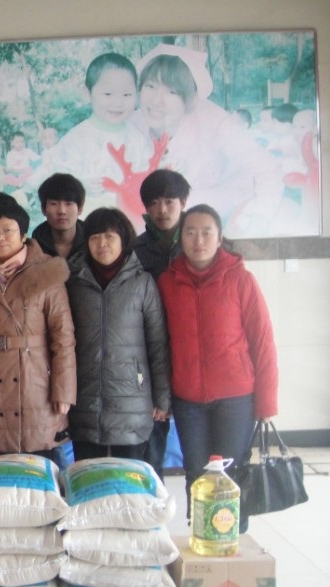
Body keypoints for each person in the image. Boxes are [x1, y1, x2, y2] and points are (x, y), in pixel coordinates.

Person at [158, 204, 278, 530]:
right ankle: (202, 538)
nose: (198, 240)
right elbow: (161, 344)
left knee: (232, 473)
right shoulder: (168, 283)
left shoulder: (241, 280)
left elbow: (263, 341)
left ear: (219, 238)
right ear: (181, 238)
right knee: (197, 473)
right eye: (190, 232)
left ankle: (233, 539)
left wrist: (266, 402)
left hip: (236, 398)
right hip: (188, 400)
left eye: (206, 232)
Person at [0, 192, 75, 461]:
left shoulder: (48, 272)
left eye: (8, 230)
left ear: (23, 234)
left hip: (36, 385)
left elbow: (63, 339)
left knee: (40, 469)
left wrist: (64, 391)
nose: (0, 237)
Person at [131, 44, 283, 237]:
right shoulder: (131, 124)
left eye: (172, 92)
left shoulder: (214, 121)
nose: (157, 101)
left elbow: (267, 168)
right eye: (150, 86)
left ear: (190, 99)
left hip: (219, 201)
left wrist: (261, 216)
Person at [65, 207, 171, 467]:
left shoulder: (143, 283)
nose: (102, 244)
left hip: (132, 404)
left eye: (109, 237)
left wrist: (162, 399)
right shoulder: (73, 283)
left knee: (130, 481)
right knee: (89, 480)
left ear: (124, 240)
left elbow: (158, 345)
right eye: (94, 237)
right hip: (85, 403)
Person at [29, 53, 150, 213]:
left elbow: (147, 177)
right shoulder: (76, 138)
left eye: (127, 94)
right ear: (87, 93)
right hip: (87, 219)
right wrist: (81, 185)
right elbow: (58, 182)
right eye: (108, 94)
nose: (118, 102)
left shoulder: (138, 138)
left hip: (128, 218)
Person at [133, 168, 190, 474]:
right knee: (151, 451)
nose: (162, 210)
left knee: (202, 453)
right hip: (151, 355)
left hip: (192, 352)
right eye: (154, 203)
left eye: (169, 201)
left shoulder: (200, 244)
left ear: (183, 202)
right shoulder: (135, 250)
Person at [31, 173, 88, 261]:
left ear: (80, 209)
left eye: (68, 204)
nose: (62, 211)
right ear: (43, 209)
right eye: (54, 203)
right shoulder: (33, 247)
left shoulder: (91, 242)